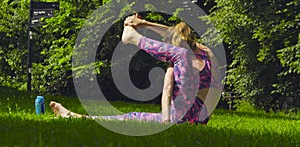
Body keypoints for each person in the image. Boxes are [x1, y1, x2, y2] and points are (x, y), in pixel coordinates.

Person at [50, 14, 221, 124]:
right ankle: (74, 117)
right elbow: (167, 91)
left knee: (182, 53)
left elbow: (180, 40)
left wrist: (144, 24)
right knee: (131, 117)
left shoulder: (201, 53)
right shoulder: (178, 63)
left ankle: (133, 38)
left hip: (197, 115)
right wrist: (166, 119)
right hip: (181, 117)